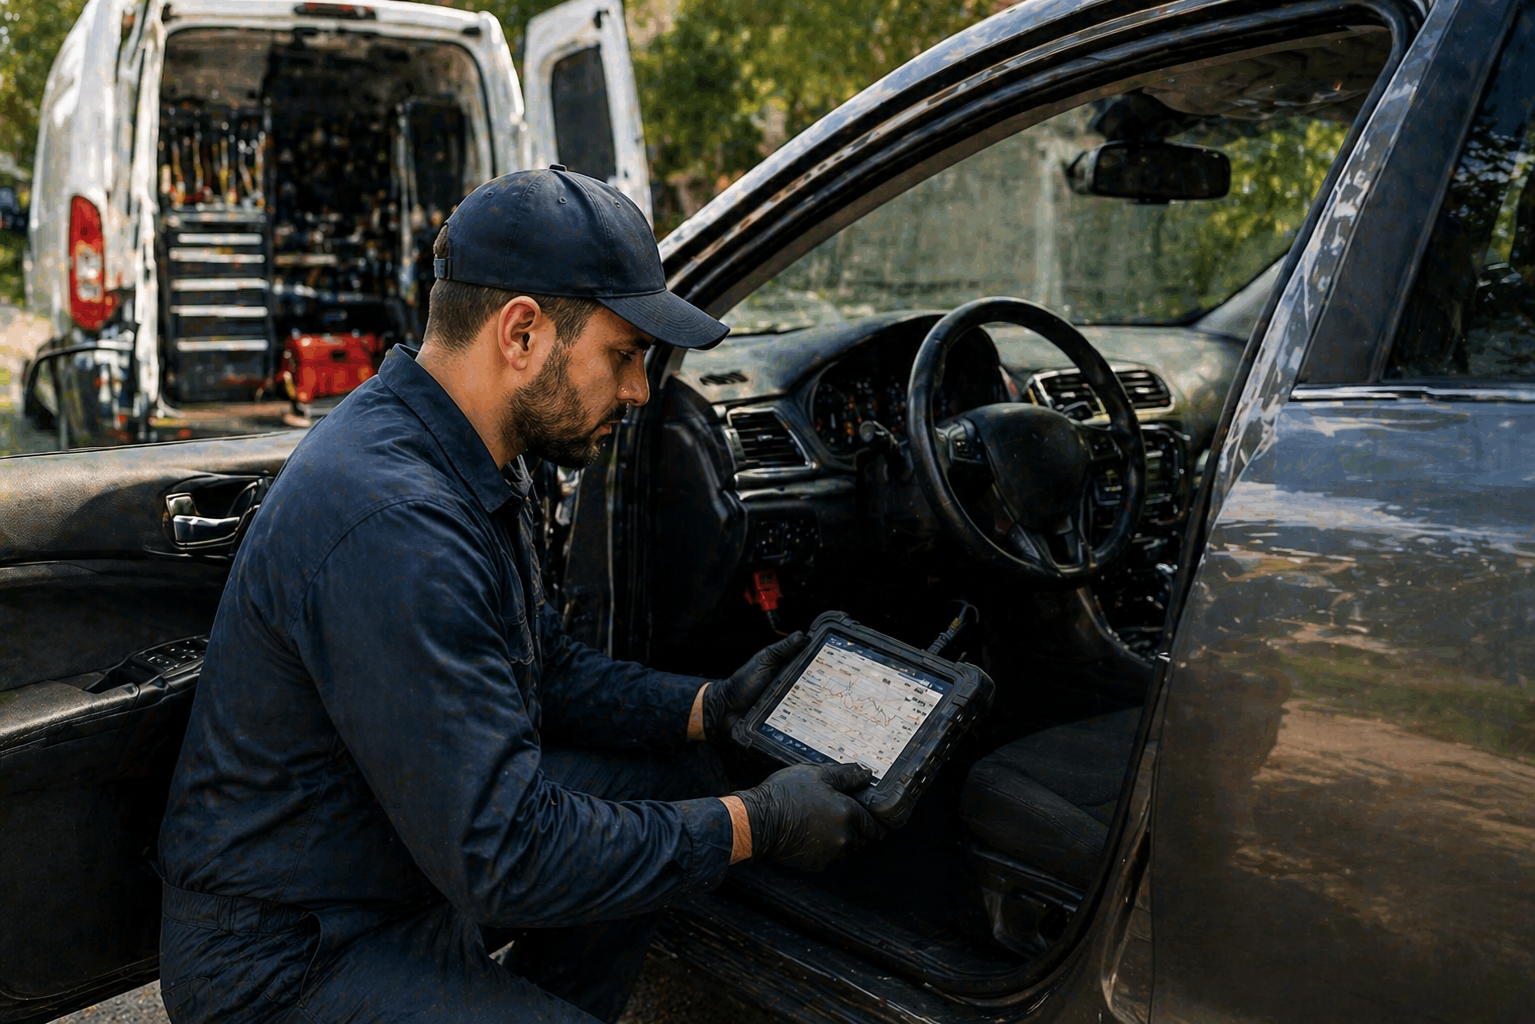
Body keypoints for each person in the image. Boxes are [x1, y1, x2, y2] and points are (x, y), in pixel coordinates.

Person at [157, 167, 883, 1024]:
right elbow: (505, 850)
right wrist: (757, 822)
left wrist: (712, 706)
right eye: (623, 354)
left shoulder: (462, 454)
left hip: (397, 868)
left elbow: (546, 669)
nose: (639, 390)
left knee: (670, 771)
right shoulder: (397, 521)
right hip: (291, 955)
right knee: (670, 817)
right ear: (522, 335)